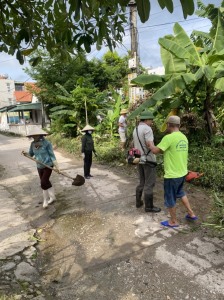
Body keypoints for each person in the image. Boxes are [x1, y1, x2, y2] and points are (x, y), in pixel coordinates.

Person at [149, 115, 197, 227]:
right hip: (182, 173)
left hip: (172, 175)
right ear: (179, 125)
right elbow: (170, 150)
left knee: (170, 198)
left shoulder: (168, 138)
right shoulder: (183, 137)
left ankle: (173, 221)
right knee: (181, 193)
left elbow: (155, 151)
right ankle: (191, 213)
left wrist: (151, 144)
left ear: (168, 125)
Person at [133, 111, 161, 213]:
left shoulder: (135, 129)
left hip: (138, 158)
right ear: (146, 120)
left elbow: (135, 145)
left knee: (142, 182)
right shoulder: (147, 129)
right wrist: (159, 150)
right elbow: (150, 145)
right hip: (149, 159)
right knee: (149, 183)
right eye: (151, 120)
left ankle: (138, 202)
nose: (151, 122)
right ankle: (149, 207)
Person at [25, 127, 59, 209]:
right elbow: (31, 154)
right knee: (45, 181)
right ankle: (52, 197)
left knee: (43, 182)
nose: (35, 137)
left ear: (40, 135)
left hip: (48, 165)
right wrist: (25, 153)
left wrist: (57, 166)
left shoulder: (47, 143)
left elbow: (52, 155)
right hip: (39, 166)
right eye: (33, 136)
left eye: (36, 135)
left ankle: (45, 200)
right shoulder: (32, 144)